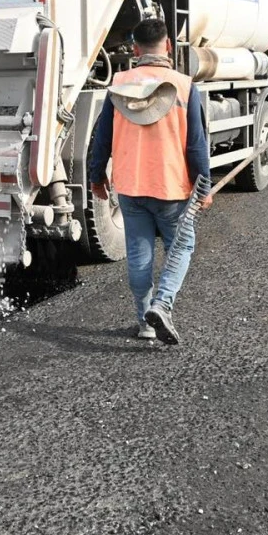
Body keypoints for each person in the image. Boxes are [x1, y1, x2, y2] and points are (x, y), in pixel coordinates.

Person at [88, 18, 211, 345]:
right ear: (168, 46)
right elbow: (197, 144)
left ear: (135, 49)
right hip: (171, 188)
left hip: (129, 187)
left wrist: (96, 176)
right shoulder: (184, 86)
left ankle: (145, 322)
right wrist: (205, 186)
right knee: (182, 245)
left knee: (139, 254)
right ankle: (162, 304)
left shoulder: (118, 83)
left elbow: (102, 137)